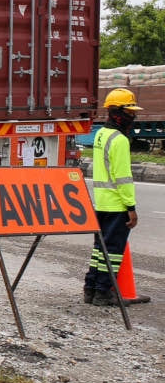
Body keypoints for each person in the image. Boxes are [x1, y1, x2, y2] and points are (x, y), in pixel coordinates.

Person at [85, 88, 141, 306]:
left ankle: (90, 288)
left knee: (100, 249)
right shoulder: (120, 140)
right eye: (129, 112)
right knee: (114, 251)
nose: (133, 116)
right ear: (118, 112)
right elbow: (123, 178)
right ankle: (103, 292)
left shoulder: (100, 135)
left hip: (101, 202)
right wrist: (131, 207)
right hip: (117, 205)